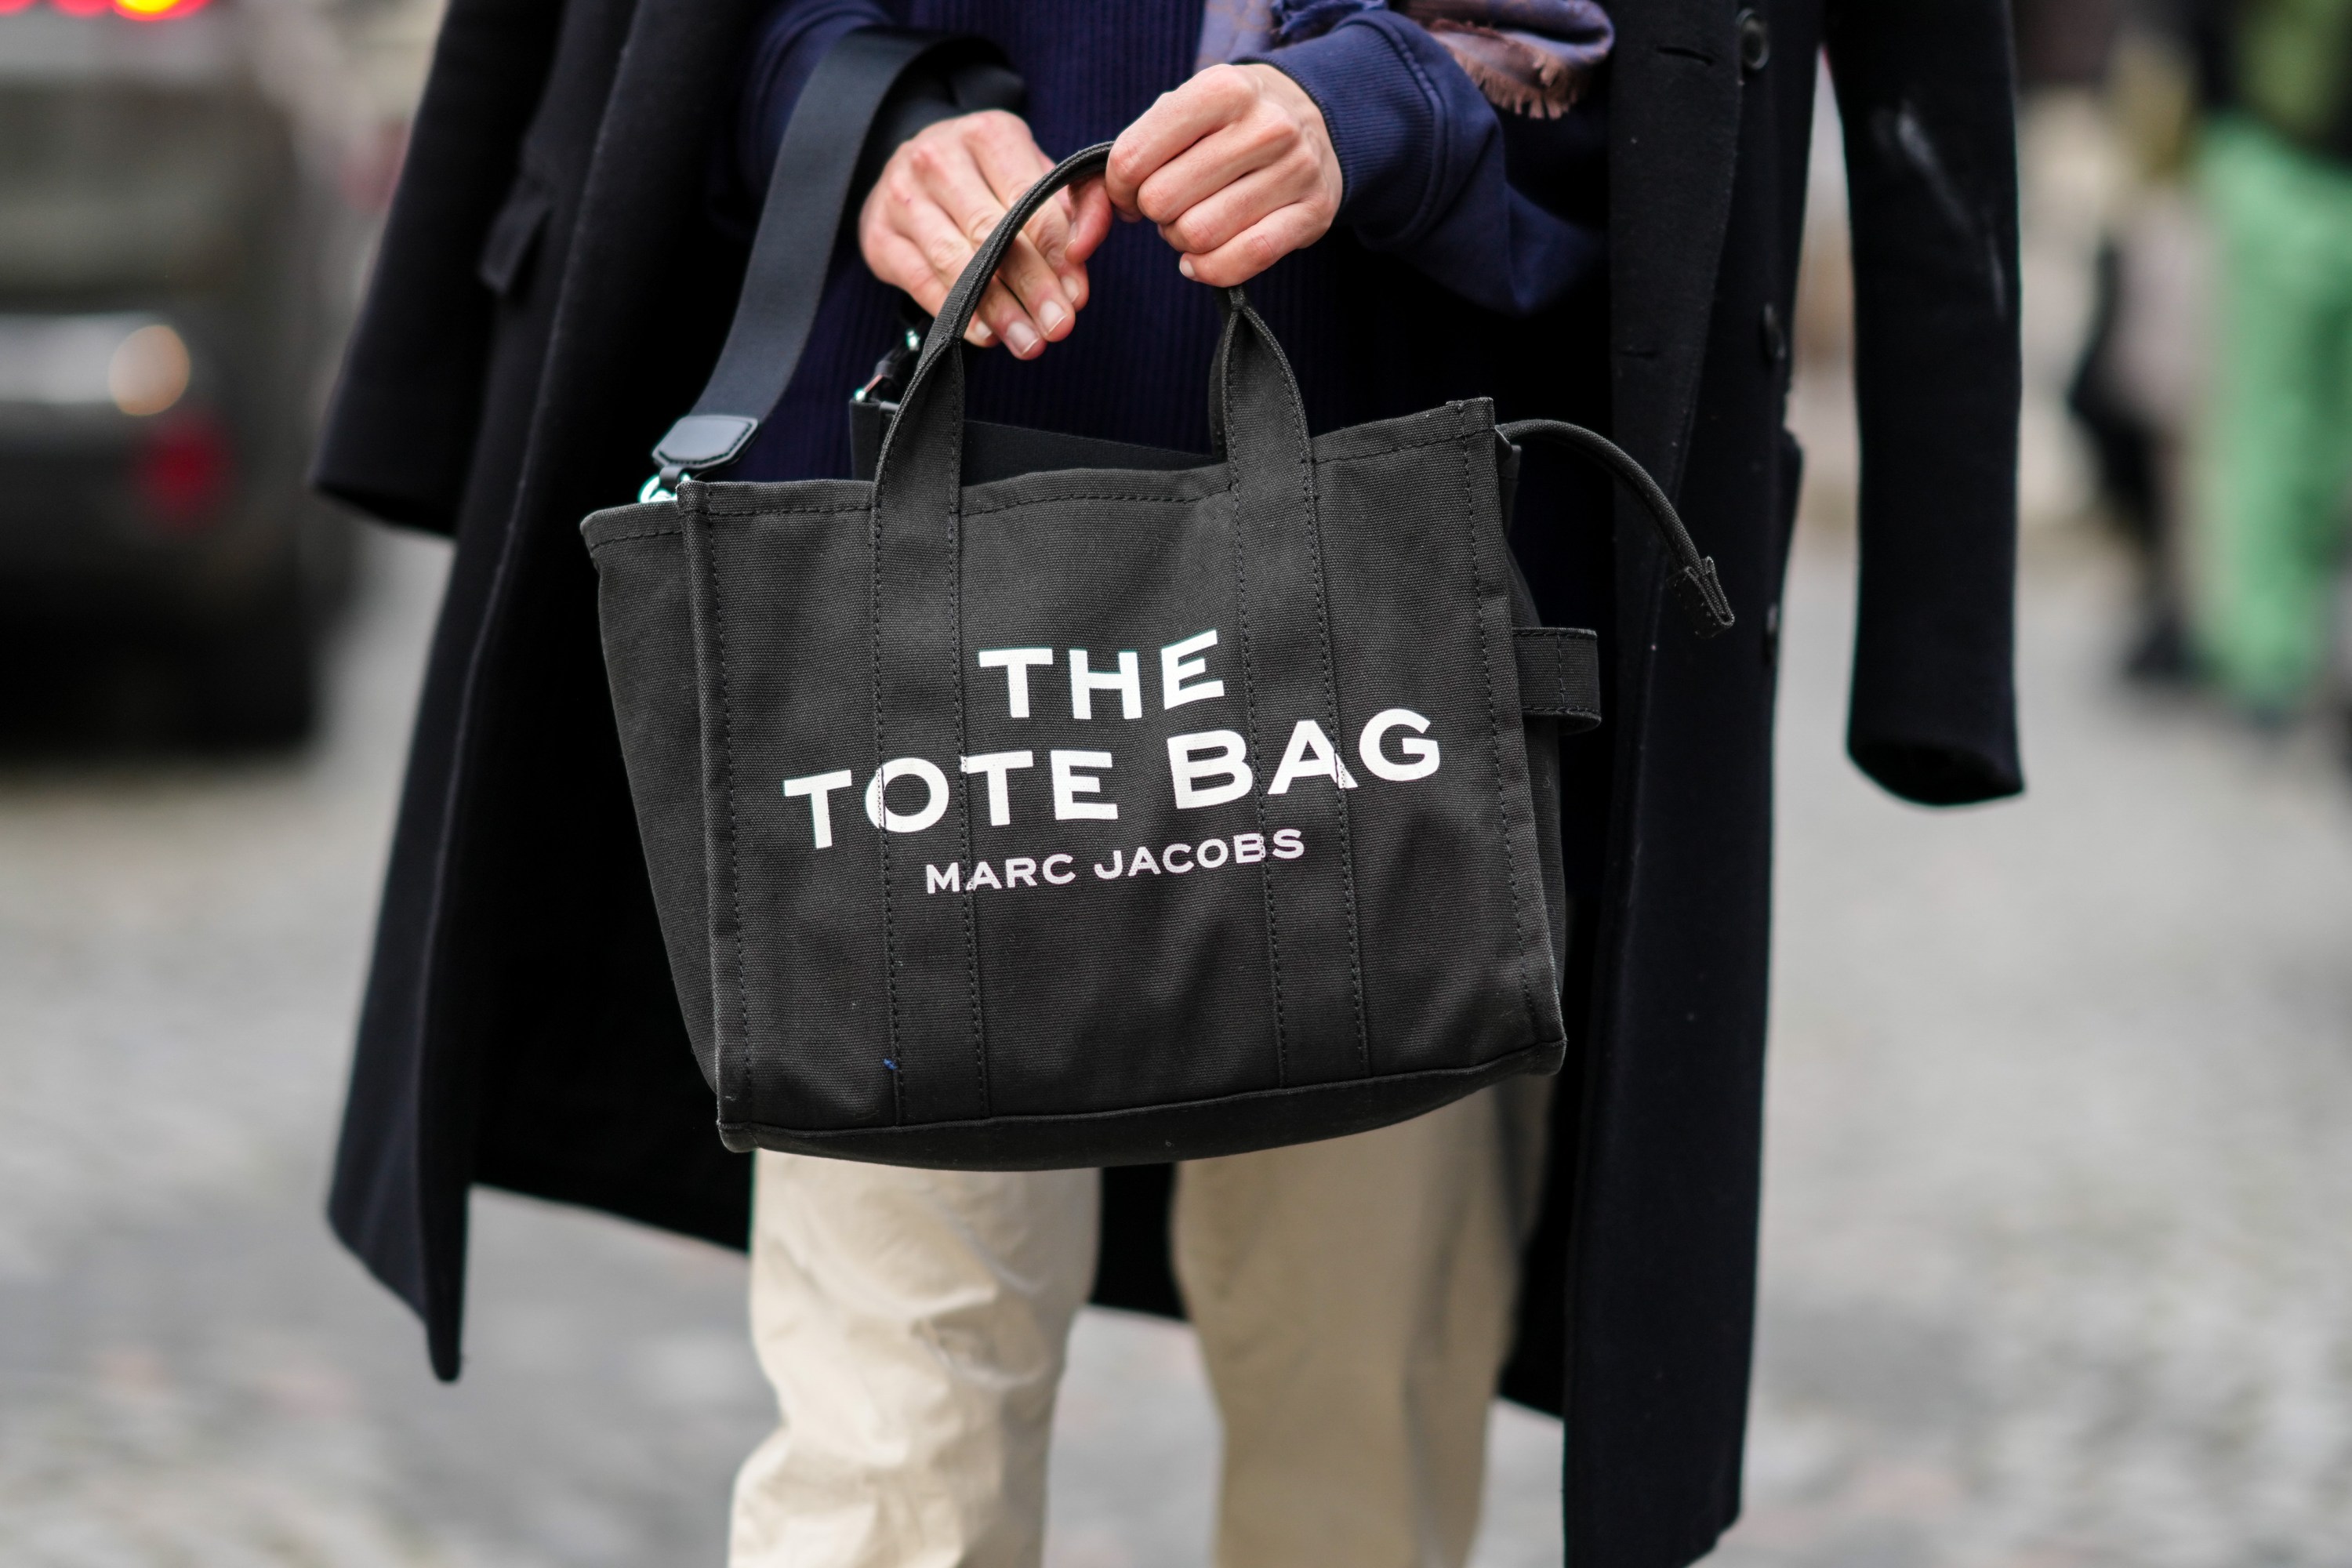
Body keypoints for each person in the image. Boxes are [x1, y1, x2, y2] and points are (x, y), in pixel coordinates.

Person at [312, 3, 2024, 1566]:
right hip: (912, 577)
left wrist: (1394, 101)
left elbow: (1646, 60)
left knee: (1354, 1430)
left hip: (1396, 574)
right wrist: (869, 112)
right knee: (891, 1457)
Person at [2178, 0, 2352, 722]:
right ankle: (2266, 661)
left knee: (2326, 448)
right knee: (2269, 431)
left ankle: (2306, 654)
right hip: (2281, 161)